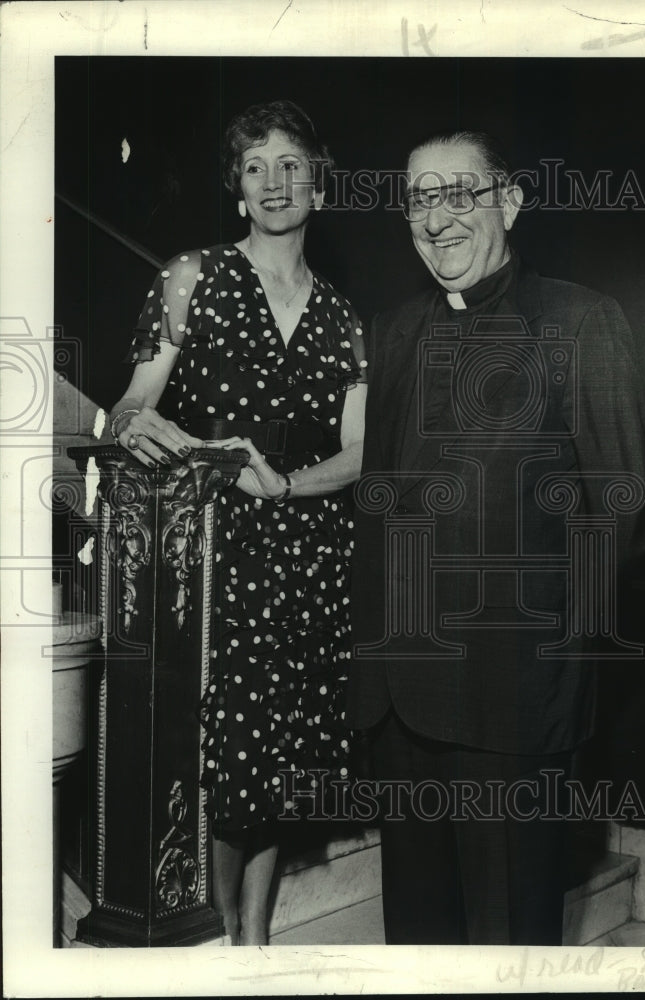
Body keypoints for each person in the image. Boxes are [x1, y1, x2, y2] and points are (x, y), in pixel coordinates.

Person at [347, 130, 645, 945]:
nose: (438, 219)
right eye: (420, 199)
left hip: (513, 710)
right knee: (418, 946)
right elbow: (380, 504)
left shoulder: (583, 322)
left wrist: (549, 665)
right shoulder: (394, 329)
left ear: (510, 204)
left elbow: (620, 510)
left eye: (460, 195)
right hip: (400, 711)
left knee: (508, 947)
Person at [109, 100, 367, 945]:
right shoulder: (193, 276)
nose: (274, 181)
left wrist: (289, 485)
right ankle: (227, 943)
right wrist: (142, 425)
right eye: (255, 165)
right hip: (217, 557)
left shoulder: (345, 317)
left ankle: (253, 940)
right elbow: (131, 407)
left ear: (318, 185)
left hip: (313, 553)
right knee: (230, 760)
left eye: (292, 163)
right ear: (237, 189)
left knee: (280, 761)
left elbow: (364, 453)